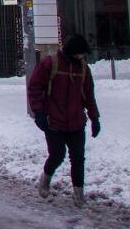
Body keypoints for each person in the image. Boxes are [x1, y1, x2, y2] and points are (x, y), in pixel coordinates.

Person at [27, 34, 101, 207]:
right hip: (54, 121)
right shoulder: (50, 63)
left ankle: (79, 193)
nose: (82, 57)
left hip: (76, 121)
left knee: (78, 159)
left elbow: (89, 95)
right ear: (72, 52)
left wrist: (94, 118)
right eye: (80, 53)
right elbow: (35, 87)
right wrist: (38, 113)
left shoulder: (83, 69)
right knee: (57, 155)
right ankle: (45, 177)